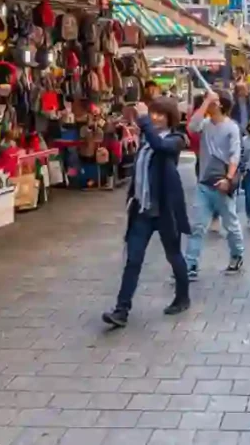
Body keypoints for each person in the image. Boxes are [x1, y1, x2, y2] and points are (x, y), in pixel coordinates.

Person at [103, 98, 191, 327]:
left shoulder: (176, 139)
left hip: (165, 210)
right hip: (142, 209)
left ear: (170, 117)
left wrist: (143, 121)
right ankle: (121, 310)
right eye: (152, 114)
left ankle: (183, 297)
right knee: (133, 260)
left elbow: (161, 148)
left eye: (161, 115)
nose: (155, 118)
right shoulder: (146, 138)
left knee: (174, 255)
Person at [185, 90, 244, 279]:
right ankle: (191, 264)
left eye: (211, 101)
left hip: (222, 182)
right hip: (204, 182)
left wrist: (228, 178)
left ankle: (237, 255)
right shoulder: (205, 124)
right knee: (197, 225)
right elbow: (192, 126)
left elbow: (235, 154)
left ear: (219, 104)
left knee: (231, 224)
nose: (206, 102)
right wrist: (206, 102)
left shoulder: (231, 127)